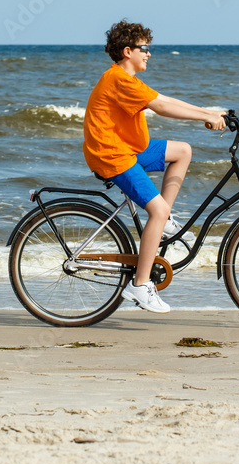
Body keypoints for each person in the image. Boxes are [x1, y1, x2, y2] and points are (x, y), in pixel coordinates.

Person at [83, 19, 225, 313]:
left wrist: (208, 112)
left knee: (182, 151)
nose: (149, 53)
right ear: (127, 51)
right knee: (156, 210)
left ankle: (165, 222)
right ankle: (139, 286)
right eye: (144, 48)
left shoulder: (127, 79)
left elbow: (162, 100)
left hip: (126, 147)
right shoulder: (118, 80)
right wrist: (204, 116)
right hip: (112, 155)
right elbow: (161, 107)